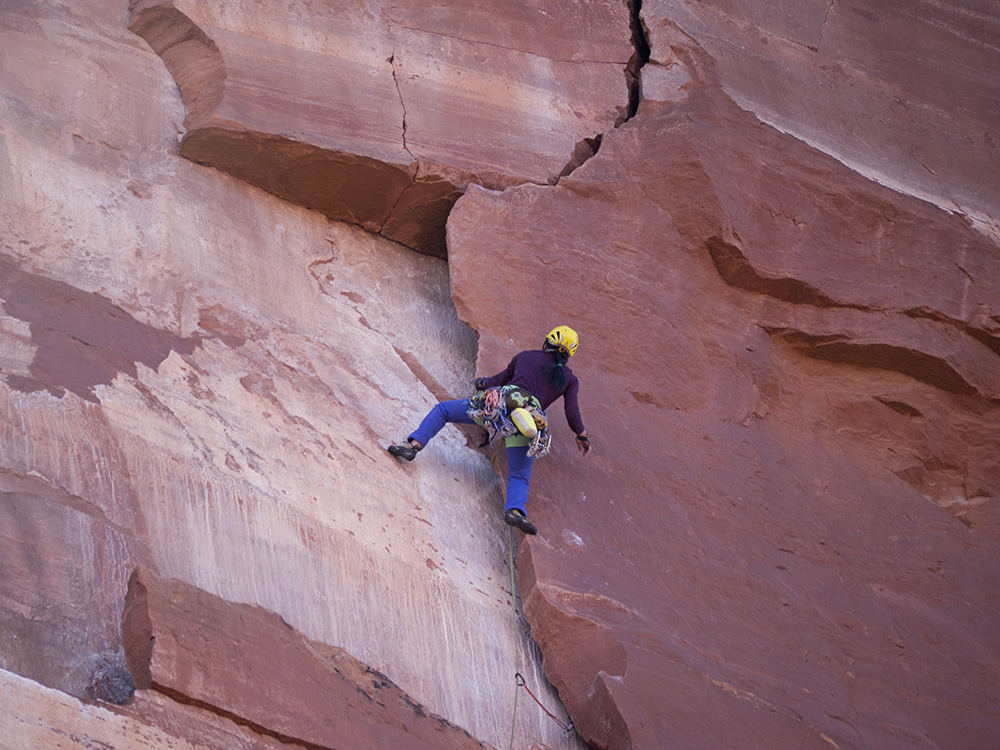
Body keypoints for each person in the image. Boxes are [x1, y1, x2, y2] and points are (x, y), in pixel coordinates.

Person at [388, 326, 591, 535]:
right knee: (519, 475)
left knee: (444, 410)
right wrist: (581, 434)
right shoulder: (569, 379)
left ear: (546, 343)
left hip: (498, 405)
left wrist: (482, 383)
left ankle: (413, 445)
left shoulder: (527, 357)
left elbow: (500, 380)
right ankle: (515, 511)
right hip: (529, 417)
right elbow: (572, 411)